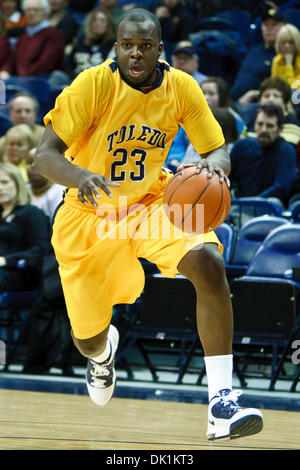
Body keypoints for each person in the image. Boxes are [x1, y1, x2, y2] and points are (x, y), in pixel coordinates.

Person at [35, 8, 263, 441]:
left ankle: (221, 404)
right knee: (87, 338)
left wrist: (214, 170)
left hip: (150, 202)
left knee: (208, 261)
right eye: (126, 45)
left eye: (144, 46)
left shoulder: (181, 87)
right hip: (89, 214)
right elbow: (43, 156)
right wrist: (81, 176)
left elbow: (216, 149)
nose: (135, 54)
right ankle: (102, 357)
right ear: (115, 46)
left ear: (160, 49)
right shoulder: (93, 84)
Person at [230, 103, 297, 206]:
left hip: (270, 210)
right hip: (239, 207)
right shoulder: (241, 146)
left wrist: (252, 202)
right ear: (254, 126)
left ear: (280, 129)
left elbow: (282, 187)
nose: (264, 130)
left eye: (270, 126)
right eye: (260, 124)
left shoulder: (287, 150)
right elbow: (227, 177)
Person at [0, 162, 49, 292]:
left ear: (17, 184)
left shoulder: (31, 213)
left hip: (20, 274)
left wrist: (6, 260)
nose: (0, 188)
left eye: (4, 182)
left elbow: (41, 250)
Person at [0, 0, 65, 78]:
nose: (32, 13)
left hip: (41, 79)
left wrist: (24, 76)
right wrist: (6, 71)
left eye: (36, 10)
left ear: (46, 13)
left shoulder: (53, 34)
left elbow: (45, 64)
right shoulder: (24, 35)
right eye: (28, 10)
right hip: (20, 78)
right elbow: (12, 59)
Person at [231, 10, 285, 102]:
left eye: (274, 25)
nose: (269, 29)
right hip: (233, 100)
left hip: (255, 104)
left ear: (283, 27)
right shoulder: (254, 50)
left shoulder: (283, 55)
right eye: (265, 25)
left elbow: (282, 88)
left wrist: (254, 95)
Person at [63, 7, 115, 80]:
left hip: (97, 81)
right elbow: (68, 65)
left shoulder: (113, 44)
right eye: (95, 20)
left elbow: (110, 70)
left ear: (109, 25)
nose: (98, 23)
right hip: (75, 79)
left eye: (102, 21)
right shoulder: (80, 40)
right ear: (90, 23)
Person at [0, 93, 44, 160]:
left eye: (28, 111)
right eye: (18, 111)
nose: (23, 115)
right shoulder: (2, 142)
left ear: (35, 114)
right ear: (10, 115)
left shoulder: (46, 136)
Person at [26, 147, 64, 218]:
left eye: (40, 162)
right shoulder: (24, 189)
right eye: (29, 162)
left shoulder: (59, 191)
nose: (33, 166)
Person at [271, 23, 300, 88]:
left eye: (291, 42)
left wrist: (288, 65)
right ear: (279, 45)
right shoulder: (277, 60)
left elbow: (295, 91)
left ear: (296, 44)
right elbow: (274, 86)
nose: (287, 46)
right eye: (283, 42)